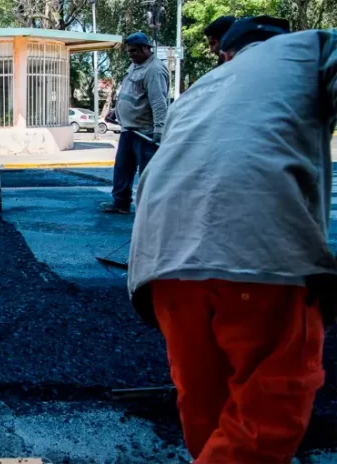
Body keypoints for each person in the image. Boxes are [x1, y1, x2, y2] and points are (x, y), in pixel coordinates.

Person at [127, 16, 336, 462]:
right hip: (262, 256)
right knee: (267, 411)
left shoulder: (199, 89)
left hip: (162, 263)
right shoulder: (312, 48)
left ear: (226, 53)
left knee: (204, 403)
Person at [100, 32, 169, 214]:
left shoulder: (154, 70)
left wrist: (159, 129)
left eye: (134, 51)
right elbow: (130, 92)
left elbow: (159, 102)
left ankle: (150, 209)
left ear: (146, 48)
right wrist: (116, 111)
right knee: (122, 168)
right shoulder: (135, 66)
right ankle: (121, 203)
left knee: (148, 173)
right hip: (129, 129)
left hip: (145, 132)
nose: (131, 55)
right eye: (129, 52)